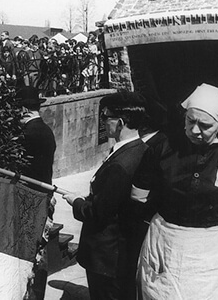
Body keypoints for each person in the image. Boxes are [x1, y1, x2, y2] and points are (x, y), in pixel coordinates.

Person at [137, 83, 218, 299]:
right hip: (166, 243)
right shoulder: (164, 148)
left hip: (211, 249)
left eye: (205, 125)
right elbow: (138, 195)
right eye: (190, 121)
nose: (195, 130)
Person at [63, 91, 149, 300]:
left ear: (120, 122)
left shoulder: (120, 164)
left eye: (105, 117)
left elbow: (99, 212)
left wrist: (77, 202)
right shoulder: (142, 150)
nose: (102, 123)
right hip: (123, 252)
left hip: (106, 257)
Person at [17, 86, 56, 300]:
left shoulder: (29, 134)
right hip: (42, 196)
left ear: (23, 109)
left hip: (33, 199)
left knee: (36, 253)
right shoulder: (44, 130)